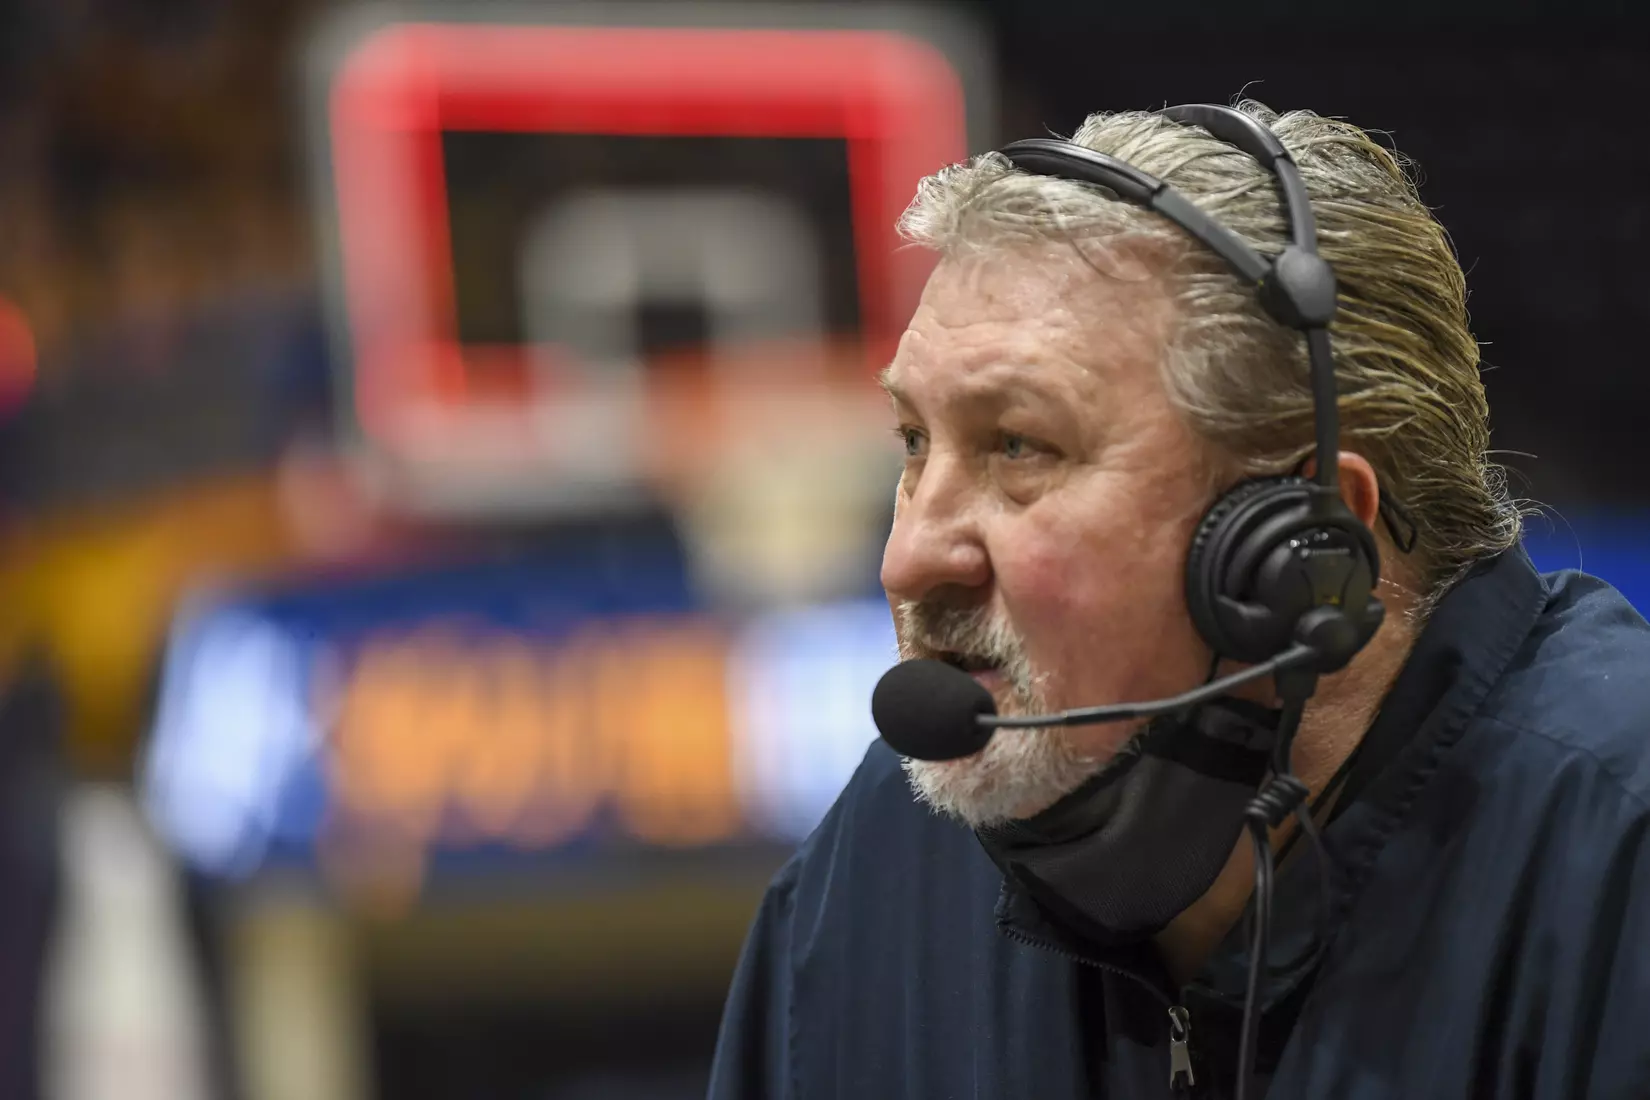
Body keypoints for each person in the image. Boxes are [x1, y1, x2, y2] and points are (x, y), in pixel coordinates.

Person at [705, 99, 1650, 1099]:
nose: (909, 556)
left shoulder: (1619, 858)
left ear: (1300, 546)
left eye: (1020, 446)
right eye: (912, 443)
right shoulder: (873, 884)